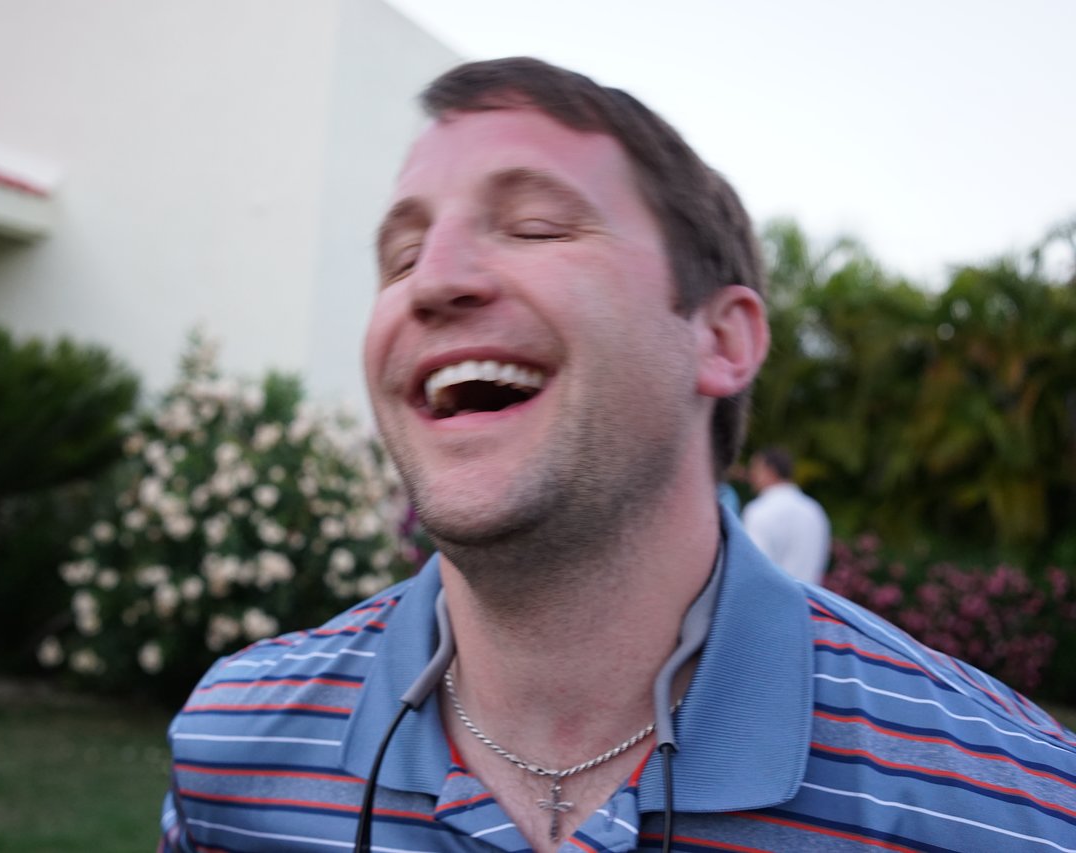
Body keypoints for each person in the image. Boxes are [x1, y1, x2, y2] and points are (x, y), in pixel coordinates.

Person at [159, 58, 1075, 852]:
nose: (432, 280)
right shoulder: (237, 750)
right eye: (400, 257)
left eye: (537, 226)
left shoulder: (1016, 805)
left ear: (720, 339)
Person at [740, 446, 832, 584]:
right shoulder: (815, 511)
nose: (751, 475)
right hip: (808, 602)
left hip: (769, 601)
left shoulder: (759, 510)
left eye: (755, 469)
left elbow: (753, 567)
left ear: (770, 471)